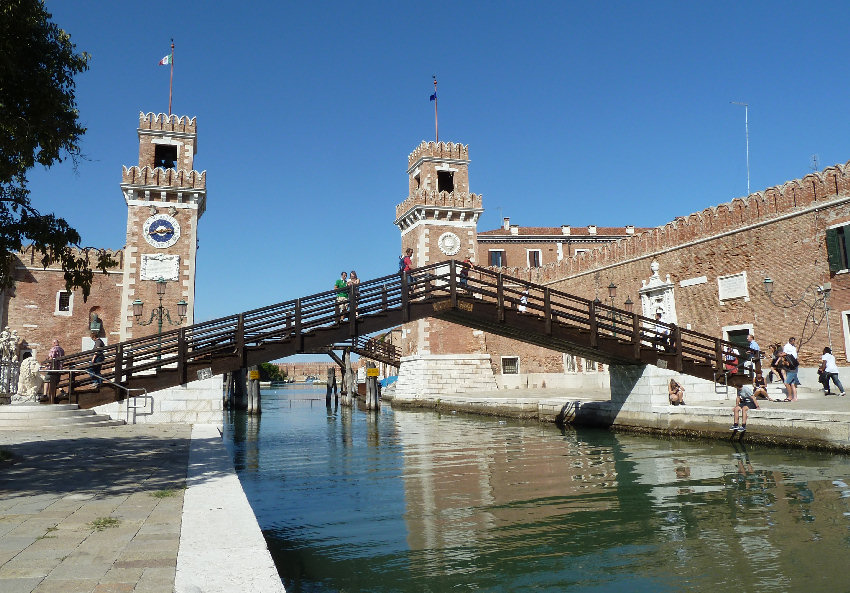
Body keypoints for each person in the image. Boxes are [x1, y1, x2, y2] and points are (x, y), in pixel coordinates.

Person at [782, 337, 800, 401]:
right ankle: (792, 397)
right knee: (790, 383)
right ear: (791, 341)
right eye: (793, 341)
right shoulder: (787, 346)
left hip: (794, 364)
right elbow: (784, 354)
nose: (794, 342)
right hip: (790, 364)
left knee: (790, 383)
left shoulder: (793, 347)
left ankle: (792, 397)